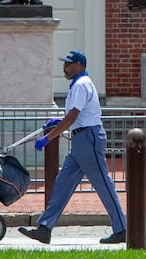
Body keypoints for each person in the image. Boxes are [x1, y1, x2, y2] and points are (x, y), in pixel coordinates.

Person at [18, 50, 127, 245]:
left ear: (79, 65)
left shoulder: (81, 84)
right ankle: (45, 228)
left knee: (102, 183)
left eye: (68, 64)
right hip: (81, 140)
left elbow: (72, 117)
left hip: (88, 138)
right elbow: (76, 116)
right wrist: (58, 121)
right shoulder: (78, 85)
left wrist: (49, 138)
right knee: (62, 185)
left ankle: (122, 229)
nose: (64, 68)